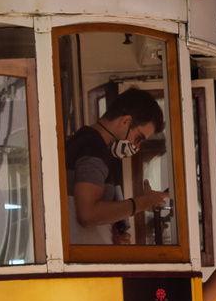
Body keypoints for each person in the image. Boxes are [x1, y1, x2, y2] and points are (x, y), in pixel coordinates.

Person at [65, 87, 172, 242]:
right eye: (138, 138)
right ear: (125, 121)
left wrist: (111, 237)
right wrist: (141, 203)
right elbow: (87, 215)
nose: (137, 146)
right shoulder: (93, 149)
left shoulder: (88, 143)